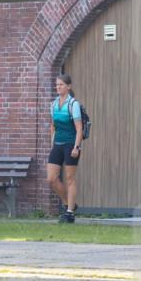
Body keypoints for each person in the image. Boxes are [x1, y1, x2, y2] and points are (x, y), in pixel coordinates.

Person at [47, 74, 84, 223]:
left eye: (61, 85)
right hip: (58, 144)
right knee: (51, 179)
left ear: (69, 86)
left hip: (71, 144)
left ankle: (69, 213)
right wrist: (52, 143)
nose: (58, 87)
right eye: (57, 85)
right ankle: (69, 204)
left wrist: (76, 147)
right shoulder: (54, 104)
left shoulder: (73, 104)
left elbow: (79, 128)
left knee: (69, 179)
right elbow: (53, 125)